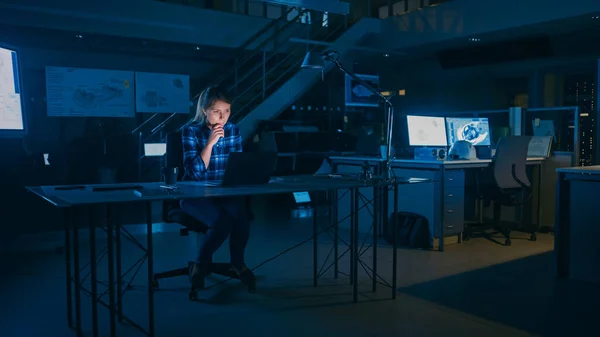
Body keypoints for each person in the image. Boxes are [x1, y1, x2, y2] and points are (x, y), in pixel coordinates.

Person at [180, 86, 254, 291]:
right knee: (221, 222)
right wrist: (210, 144)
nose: (223, 117)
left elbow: (237, 166)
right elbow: (194, 174)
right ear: (204, 111)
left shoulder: (233, 130)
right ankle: (200, 266)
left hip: (223, 192)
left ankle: (237, 264)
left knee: (241, 217)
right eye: (216, 112)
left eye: (227, 111)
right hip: (194, 193)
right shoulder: (190, 130)